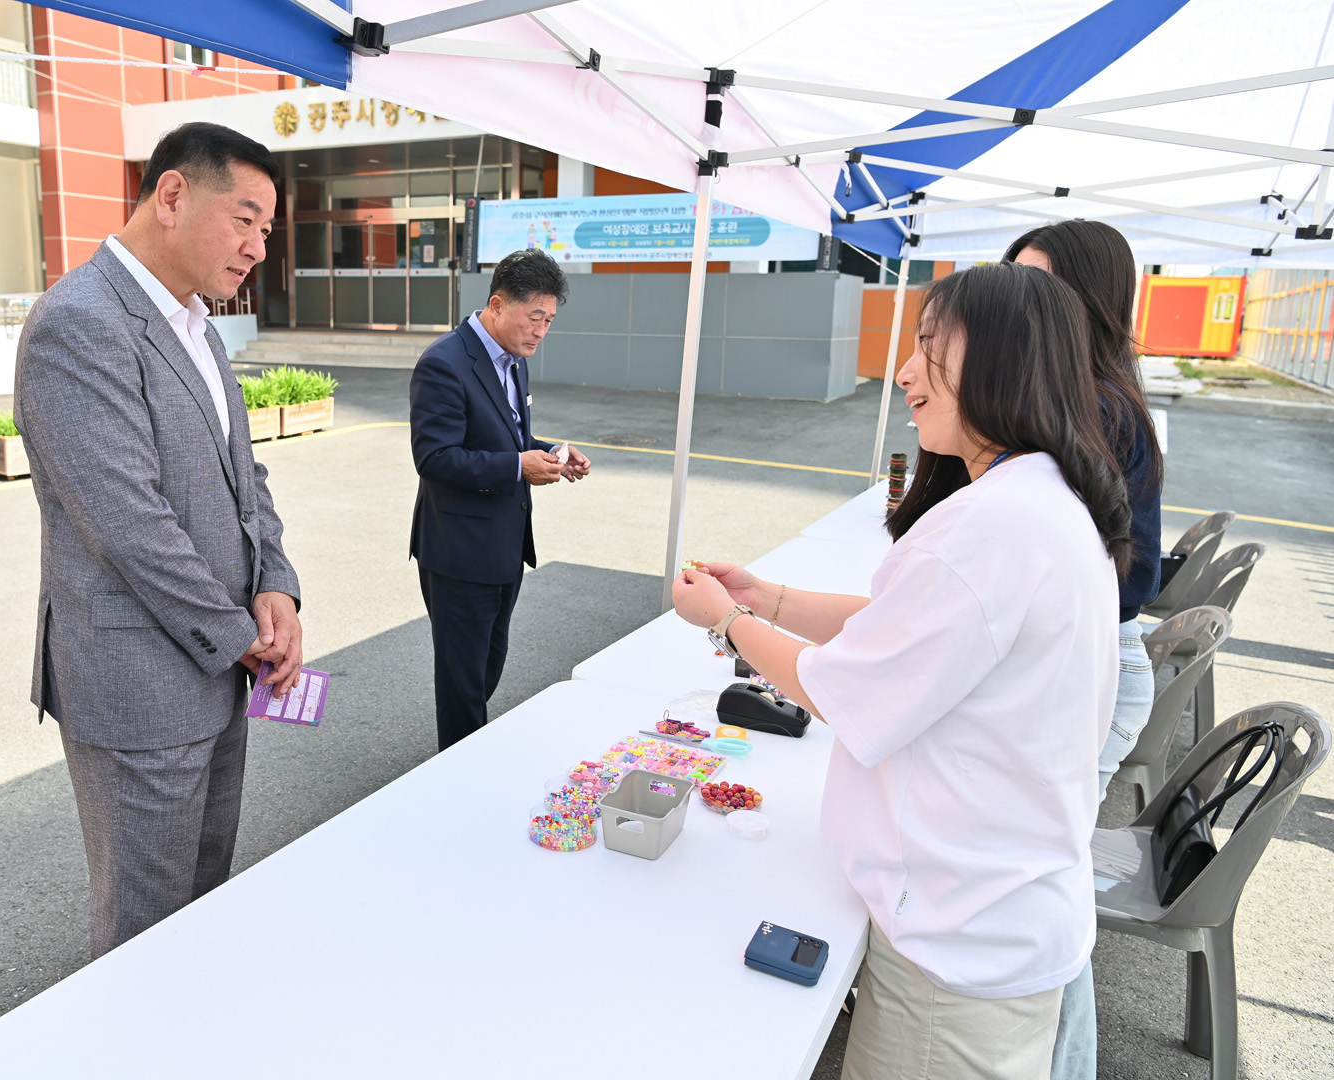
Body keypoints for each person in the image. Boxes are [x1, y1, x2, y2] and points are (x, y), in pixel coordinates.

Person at [672, 263, 1129, 1080]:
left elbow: (846, 689)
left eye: (929, 346)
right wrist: (766, 598)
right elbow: (899, 631)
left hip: (959, 938)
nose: (906, 373)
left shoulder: (989, 525)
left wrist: (725, 622)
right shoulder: (1034, 502)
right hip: (993, 906)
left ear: (1000, 358)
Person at [15, 122, 303, 959]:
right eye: (244, 220)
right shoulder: (79, 321)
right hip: (139, 687)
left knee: (204, 904)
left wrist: (276, 586)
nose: (256, 249)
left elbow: (247, 478)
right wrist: (241, 635)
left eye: (266, 230)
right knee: (144, 929)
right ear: (172, 195)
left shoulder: (197, 326)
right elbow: (127, 524)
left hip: (222, 668)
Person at [1006, 221, 1164, 1079]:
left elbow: (1126, 580)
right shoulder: (1085, 396)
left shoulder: (1092, 407)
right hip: (1089, 668)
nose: (1018, 307)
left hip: (1093, 673)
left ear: (1088, 304)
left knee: (1043, 887)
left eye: (1041, 288)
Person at [409, 249, 592, 750]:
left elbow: (508, 439)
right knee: (463, 686)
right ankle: (459, 774)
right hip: (459, 551)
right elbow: (435, 458)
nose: (541, 331)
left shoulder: (514, 360)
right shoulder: (444, 363)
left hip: (504, 546)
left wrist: (551, 452)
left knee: (486, 667)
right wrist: (518, 467)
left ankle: (469, 758)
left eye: (549, 321)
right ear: (496, 305)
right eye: (534, 317)